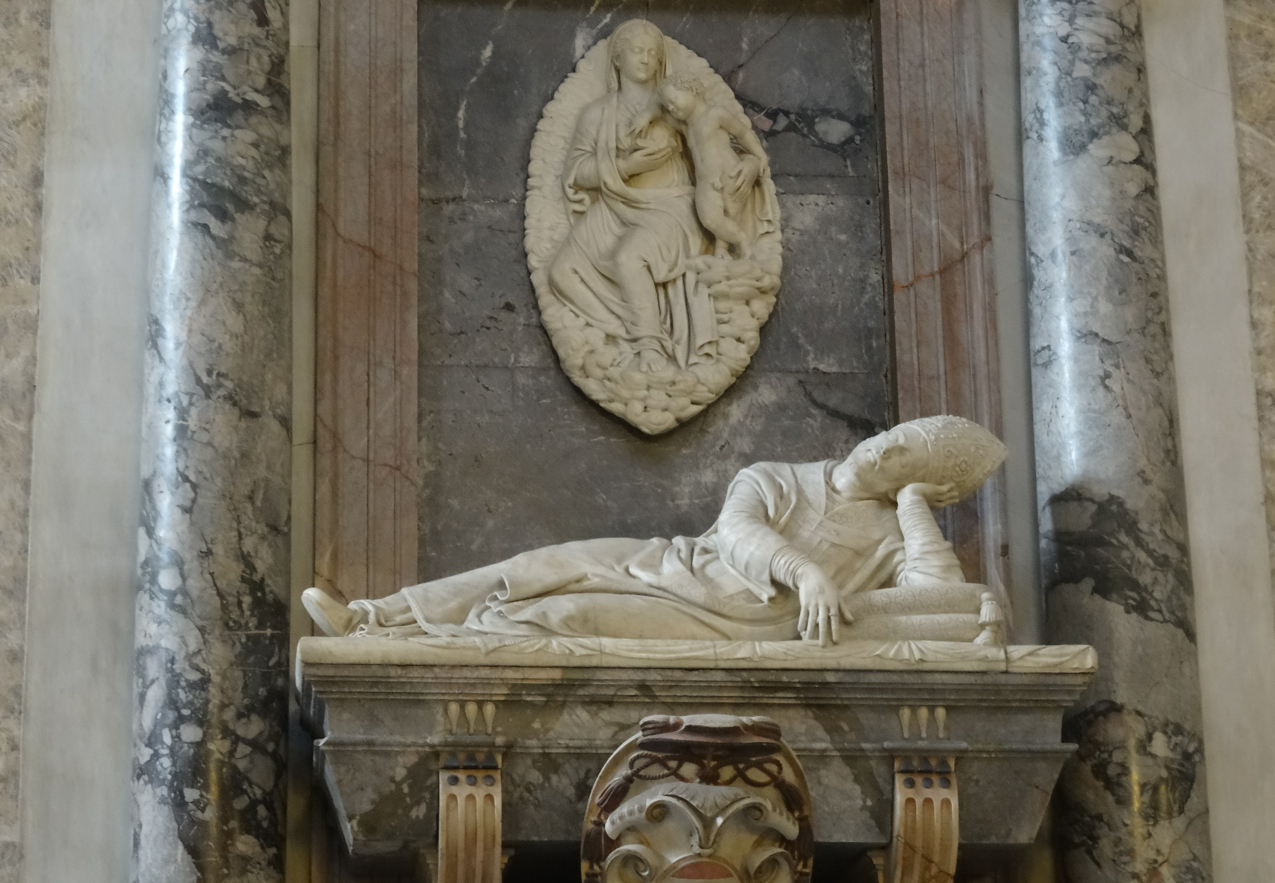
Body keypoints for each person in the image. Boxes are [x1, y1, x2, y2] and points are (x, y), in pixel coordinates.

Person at [302, 416, 1007, 647]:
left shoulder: (888, 537)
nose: (885, 446)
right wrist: (806, 571)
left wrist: (916, 508)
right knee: (540, 564)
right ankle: (373, 617)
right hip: (677, 564)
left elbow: (940, 601)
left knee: (559, 615)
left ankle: (405, 644)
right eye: (895, 433)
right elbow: (738, 532)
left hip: (723, 624)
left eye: (907, 456)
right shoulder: (777, 475)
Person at [546, 19, 716, 371]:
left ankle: (649, 344)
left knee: (628, 258)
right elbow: (577, 172)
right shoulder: (597, 113)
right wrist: (627, 167)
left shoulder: (674, 105)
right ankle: (628, 327)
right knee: (562, 272)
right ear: (617, 59)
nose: (645, 58)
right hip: (616, 204)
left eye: (653, 53)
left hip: (671, 206)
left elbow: (712, 141)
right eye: (637, 51)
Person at [658, 76, 769, 257]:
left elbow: (742, 133)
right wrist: (646, 117)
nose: (671, 108)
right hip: (705, 182)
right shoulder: (686, 126)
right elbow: (662, 114)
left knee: (730, 211)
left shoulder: (715, 114)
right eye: (667, 104)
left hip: (729, 172)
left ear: (691, 90)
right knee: (710, 219)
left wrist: (760, 156)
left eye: (674, 100)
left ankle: (728, 247)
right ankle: (736, 241)